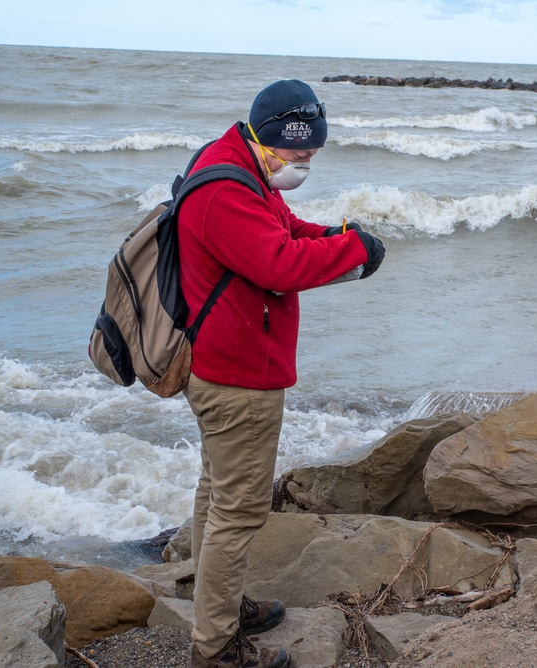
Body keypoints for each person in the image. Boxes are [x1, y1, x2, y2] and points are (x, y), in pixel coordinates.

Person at [177, 79, 385, 668]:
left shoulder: (239, 165)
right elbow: (278, 263)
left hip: (222, 358)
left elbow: (285, 228)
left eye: (313, 156)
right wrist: (354, 255)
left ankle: (211, 597)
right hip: (235, 375)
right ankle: (214, 647)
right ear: (270, 140)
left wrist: (343, 238)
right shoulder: (225, 191)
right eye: (299, 155)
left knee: (215, 490)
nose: (305, 165)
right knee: (239, 509)